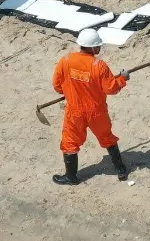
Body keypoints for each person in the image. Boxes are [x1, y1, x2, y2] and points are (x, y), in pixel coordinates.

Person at [51, 28, 131, 185]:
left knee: (70, 141)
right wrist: (122, 78)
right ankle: (121, 169)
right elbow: (111, 89)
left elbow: (57, 85)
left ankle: (71, 177)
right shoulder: (98, 65)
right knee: (107, 137)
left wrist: (69, 92)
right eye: (98, 46)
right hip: (97, 112)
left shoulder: (66, 60)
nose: (100, 48)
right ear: (93, 47)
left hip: (74, 112)